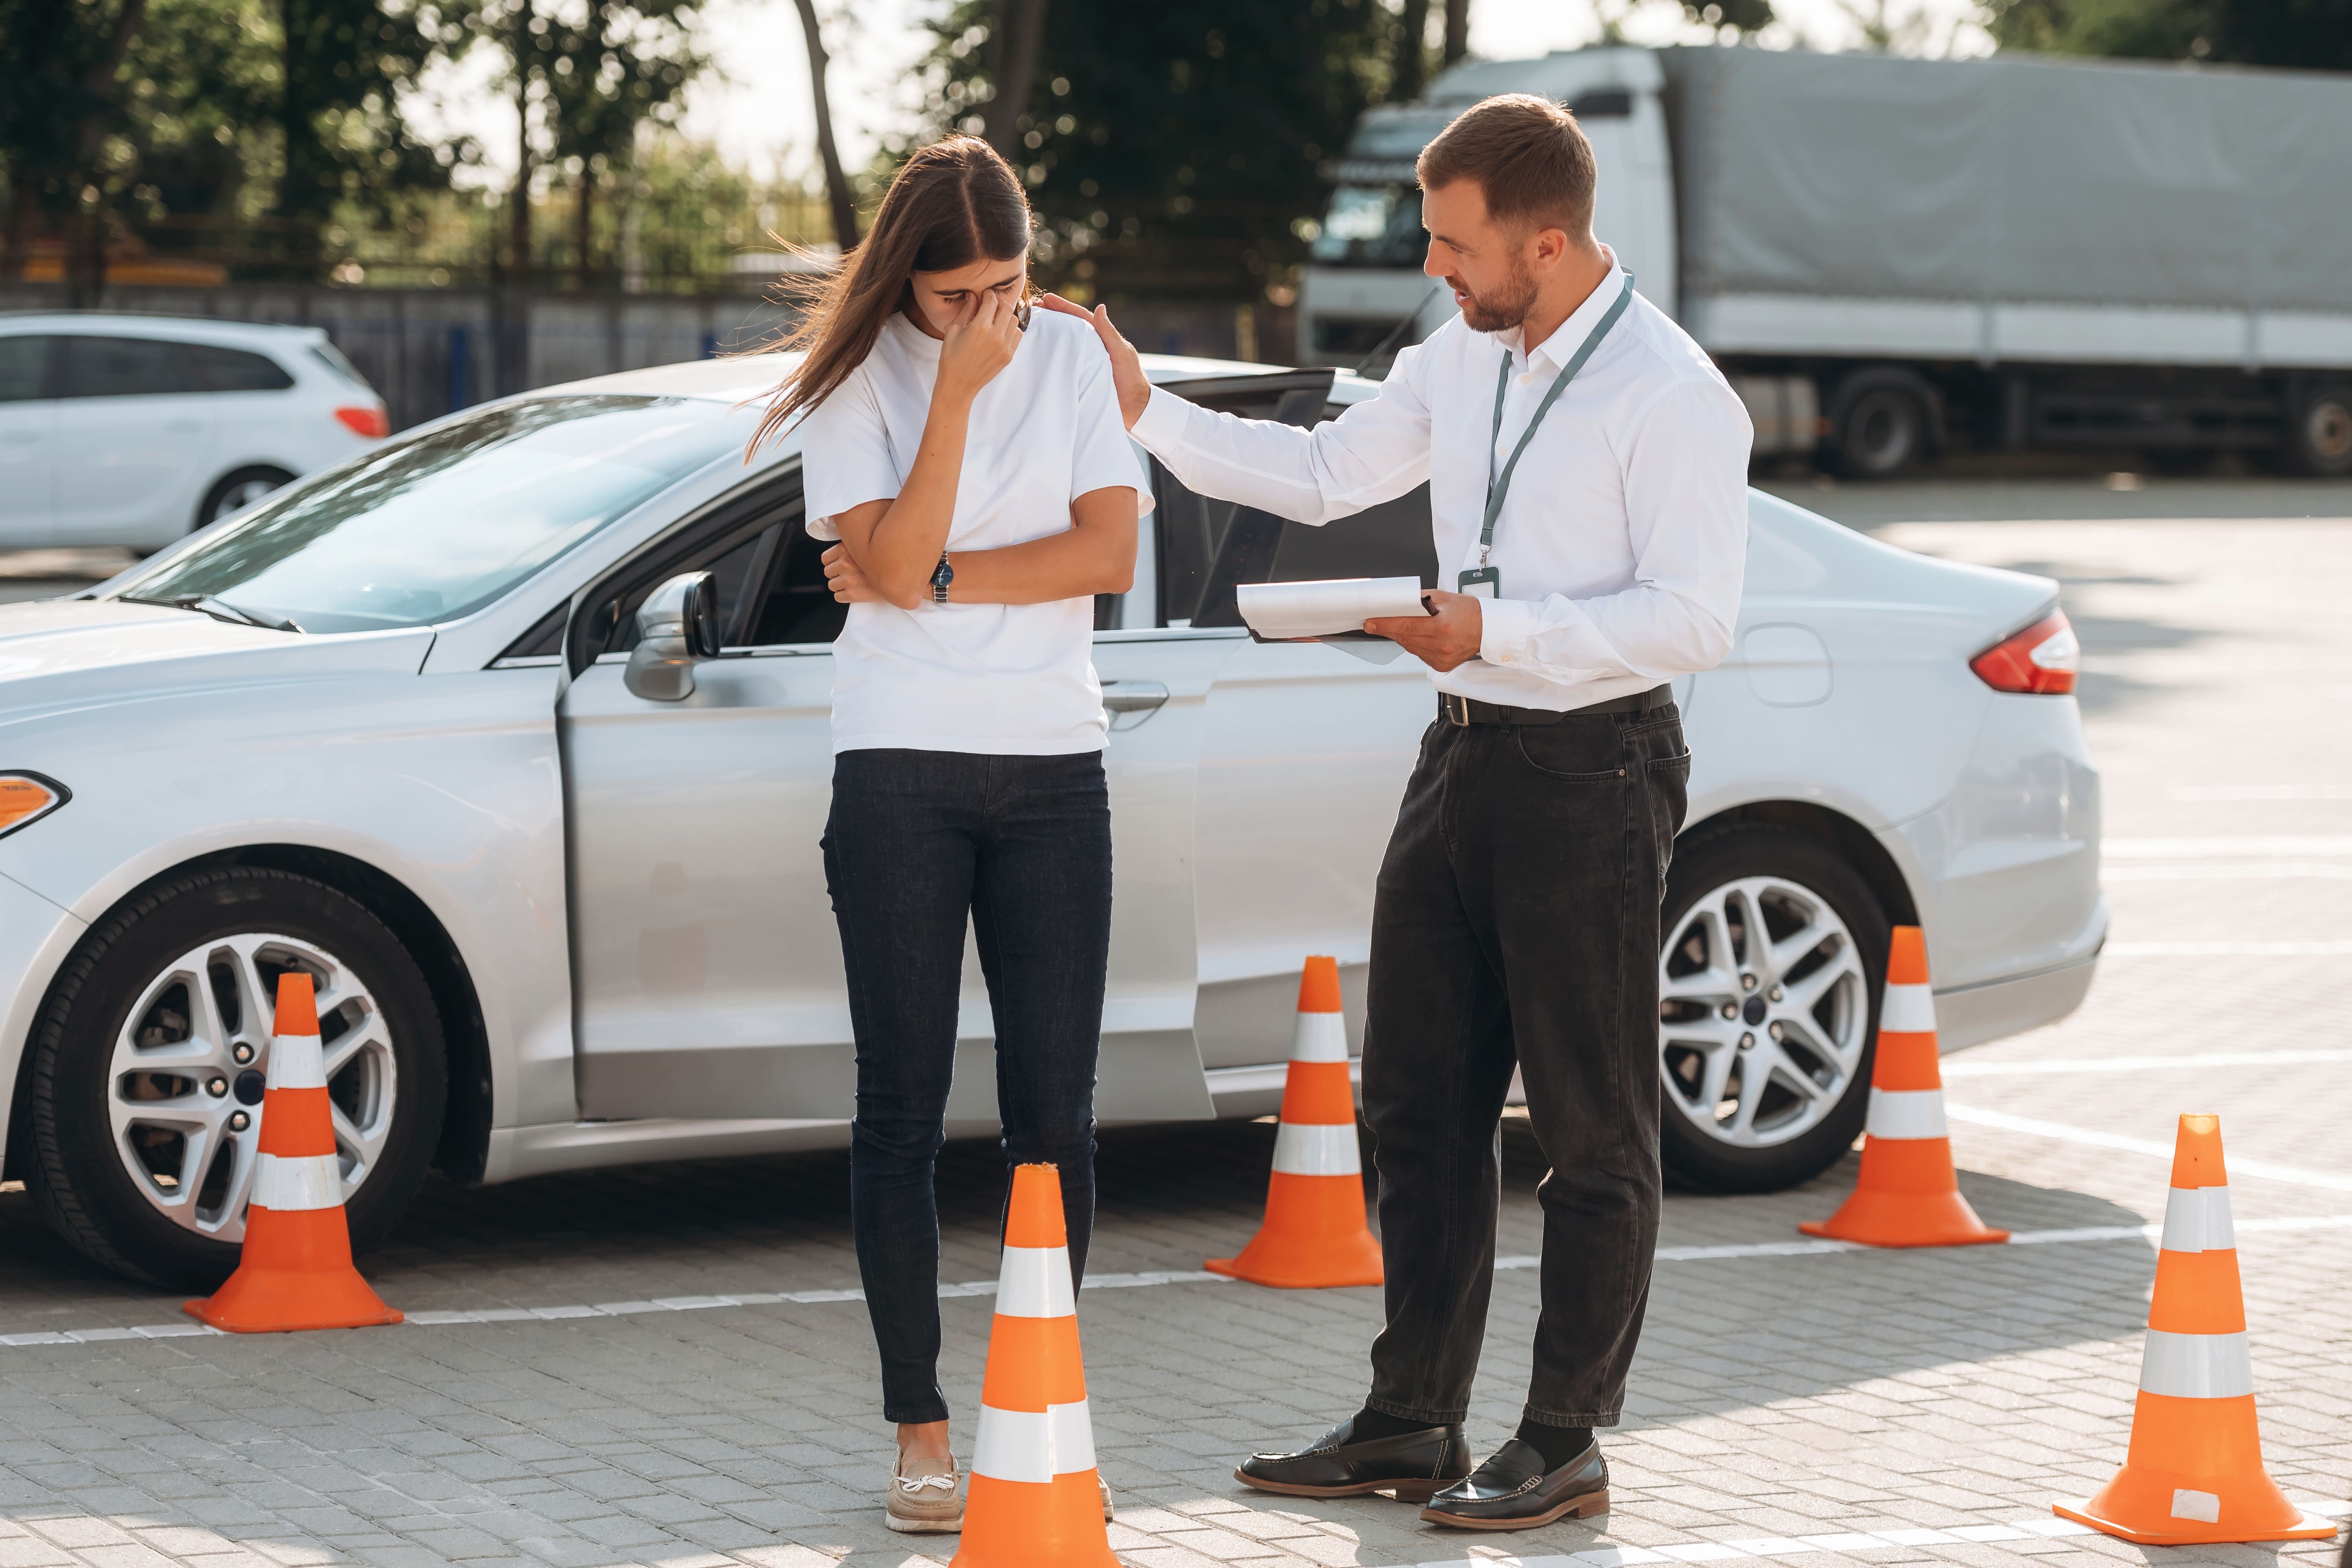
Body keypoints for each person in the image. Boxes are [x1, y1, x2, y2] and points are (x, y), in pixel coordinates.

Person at [1047, 92, 1751, 1532]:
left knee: (1592, 1127)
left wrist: (1494, 629)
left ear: (1548, 243)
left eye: (1455, 246)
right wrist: (1146, 414)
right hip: (1464, 751)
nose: (1436, 269)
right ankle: (1412, 1418)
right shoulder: (1466, 354)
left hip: (1595, 765)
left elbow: (1694, 620)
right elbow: (1321, 478)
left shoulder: (1674, 396)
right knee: (1417, 1102)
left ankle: (1562, 1439)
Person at [755, 135, 1145, 1535]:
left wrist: (936, 577)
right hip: (902, 770)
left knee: (1056, 1120)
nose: (991, 315)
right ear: (906, 279)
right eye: (959, 295)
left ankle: (1038, 1406)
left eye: (1013, 284)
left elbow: (1108, 556)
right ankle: (920, 1423)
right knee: (902, 1112)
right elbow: (892, 550)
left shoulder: (1073, 361)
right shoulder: (856, 383)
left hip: (1056, 770)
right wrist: (958, 406)